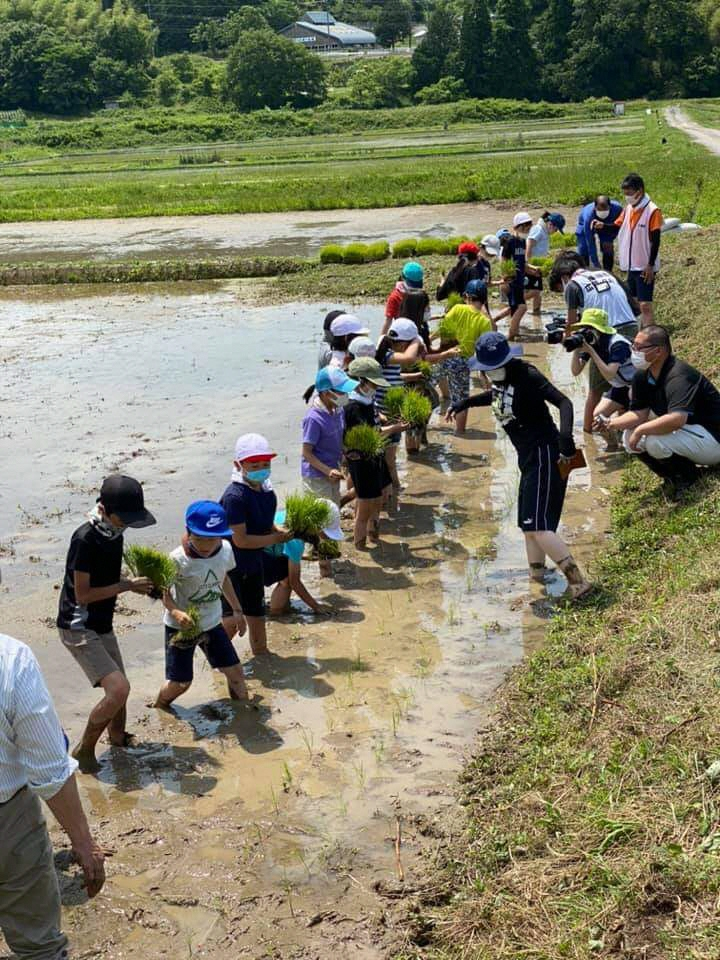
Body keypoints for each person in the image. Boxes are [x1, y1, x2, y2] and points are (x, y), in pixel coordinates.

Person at [446, 332, 592, 599]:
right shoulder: (501, 380)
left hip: (545, 454)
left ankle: (578, 582)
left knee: (538, 525)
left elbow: (564, 402)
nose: (487, 374)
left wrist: (565, 439)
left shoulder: (528, 375)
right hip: (526, 458)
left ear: (505, 361)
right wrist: (465, 402)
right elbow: (496, 395)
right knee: (528, 525)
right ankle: (537, 577)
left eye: (490, 369)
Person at [0, 632, 106, 960]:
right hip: (9, 819)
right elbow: (49, 769)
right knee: (39, 947)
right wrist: (84, 844)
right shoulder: (10, 658)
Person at [57, 474, 156, 773]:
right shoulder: (85, 539)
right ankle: (84, 750)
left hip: (102, 623)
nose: (125, 524)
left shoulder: (115, 533)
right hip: (78, 625)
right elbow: (83, 594)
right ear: (104, 509)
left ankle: (117, 738)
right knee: (118, 689)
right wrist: (126, 586)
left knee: (121, 687)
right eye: (122, 518)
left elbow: (109, 578)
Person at [154, 501, 249, 710]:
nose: (207, 546)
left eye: (213, 539)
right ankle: (160, 706)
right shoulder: (176, 559)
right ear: (188, 533)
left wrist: (237, 611)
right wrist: (176, 612)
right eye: (201, 539)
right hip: (181, 627)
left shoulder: (225, 549)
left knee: (236, 673)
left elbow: (223, 578)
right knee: (181, 683)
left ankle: (245, 715)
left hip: (212, 623)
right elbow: (165, 593)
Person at [610, 326, 720, 494]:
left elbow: (677, 419)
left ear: (658, 351)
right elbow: (639, 413)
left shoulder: (679, 375)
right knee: (628, 437)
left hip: (713, 438)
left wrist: (640, 430)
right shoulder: (642, 375)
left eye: (639, 348)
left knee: (654, 441)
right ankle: (671, 477)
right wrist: (610, 423)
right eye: (634, 346)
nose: (634, 352)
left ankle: (690, 477)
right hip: (691, 432)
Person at [220, 434, 293, 656]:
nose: (261, 468)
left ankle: (262, 657)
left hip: (253, 563)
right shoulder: (235, 496)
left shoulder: (266, 489)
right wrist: (275, 539)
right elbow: (240, 540)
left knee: (257, 617)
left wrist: (275, 529)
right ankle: (217, 660)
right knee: (231, 621)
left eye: (265, 464)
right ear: (238, 465)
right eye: (254, 465)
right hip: (230, 568)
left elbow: (262, 520)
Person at [549, 260, 640, 431]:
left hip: (610, 330)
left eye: (560, 288)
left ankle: (588, 432)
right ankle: (622, 427)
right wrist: (577, 348)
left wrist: (569, 339)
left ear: (564, 277)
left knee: (595, 390)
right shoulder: (604, 273)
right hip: (630, 325)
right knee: (620, 387)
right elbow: (634, 305)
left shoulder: (572, 285)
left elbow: (571, 321)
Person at [345, 356, 406, 546]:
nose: (376, 387)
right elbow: (371, 434)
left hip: (376, 457)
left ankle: (374, 535)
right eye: (373, 383)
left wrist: (384, 418)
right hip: (361, 461)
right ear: (359, 381)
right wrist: (395, 428)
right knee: (364, 507)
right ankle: (360, 547)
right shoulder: (352, 407)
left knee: (380, 497)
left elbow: (375, 421)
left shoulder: (367, 400)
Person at [566, 309, 634, 450]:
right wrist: (577, 349)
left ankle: (629, 443)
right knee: (597, 419)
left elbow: (609, 373)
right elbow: (575, 371)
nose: (587, 331)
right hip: (620, 387)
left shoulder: (617, 344)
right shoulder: (593, 343)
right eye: (585, 328)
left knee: (632, 431)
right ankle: (613, 446)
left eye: (591, 328)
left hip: (637, 387)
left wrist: (591, 351)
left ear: (600, 330)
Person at [434, 279, 494, 435]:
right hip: (463, 362)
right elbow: (483, 352)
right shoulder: (484, 321)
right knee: (461, 399)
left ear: (466, 296)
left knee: (426, 384)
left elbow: (443, 331)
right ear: (485, 300)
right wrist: (483, 374)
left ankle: (422, 427)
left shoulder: (457, 308)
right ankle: (460, 433)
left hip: (445, 355)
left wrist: (432, 348)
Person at [263, 499, 344, 615]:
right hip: (255, 559)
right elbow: (294, 582)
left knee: (286, 569)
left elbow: (282, 549)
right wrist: (316, 607)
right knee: (287, 578)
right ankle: (276, 613)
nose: (325, 537)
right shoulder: (296, 538)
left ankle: (279, 607)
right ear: (316, 527)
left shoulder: (288, 515)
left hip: (253, 551)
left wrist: (303, 557)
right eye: (325, 533)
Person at [302, 365, 359, 506]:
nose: (346, 396)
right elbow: (306, 453)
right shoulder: (314, 419)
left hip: (334, 470)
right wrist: (328, 471)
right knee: (323, 515)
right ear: (327, 393)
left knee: (334, 508)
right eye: (342, 392)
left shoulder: (338, 410)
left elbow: (337, 438)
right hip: (317, 475)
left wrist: (346, 453)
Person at [615, 173, 663, 325]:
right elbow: (618, 225)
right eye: (625, 193)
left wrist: (650, 265)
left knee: (645, 305)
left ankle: (650, 336)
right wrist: (603, 226)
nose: (627, 197)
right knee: (634, 303)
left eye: (629, 193)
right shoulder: (628, 208)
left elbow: (656, 241)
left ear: (640, 191)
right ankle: (639, 333)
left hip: (644, 266)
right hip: (631, 265)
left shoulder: (653, 211)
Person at [501, 212, 535, 340]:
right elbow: (504, 259)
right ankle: (510, 336)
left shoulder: (522, 242)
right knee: (522, 307)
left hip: (520, 280)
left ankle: (514, 332)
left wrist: (532, 269)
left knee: (515, 308)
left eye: (528, 228)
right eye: (524, 227)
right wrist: (505, 278)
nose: (527, 230)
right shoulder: (510, 241)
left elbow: (522, 263)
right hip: (512, 281)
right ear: (517, 227)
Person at [525, 211, 566, 316]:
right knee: (535, 290)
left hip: (538, 265)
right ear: (550, 224)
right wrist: (528, 263)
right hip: (532, 265)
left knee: (538, 290)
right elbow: (529, 244)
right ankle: (516, 302)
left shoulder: (545, 231)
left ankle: (536, 311)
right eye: (556, 229)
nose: (556, 232)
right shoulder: (539, 229)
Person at [575, 195, 622, 270]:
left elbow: (619, 227)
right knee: (583, 249)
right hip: (586, 226)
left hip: (608, 225)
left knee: (607, 247)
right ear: (595, 208)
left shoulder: (618, 209)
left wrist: (606, 229)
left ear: (610, 206)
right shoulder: (589, 215)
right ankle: (585, 272)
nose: (602, 212)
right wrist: (596, 263)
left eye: (605, 209)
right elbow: (590, 241)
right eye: (599, 210)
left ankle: (608, 271)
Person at [383, 261, 425, 335]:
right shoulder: (395, 297)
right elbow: (388, 321)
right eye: (412, 284)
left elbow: (425, 316)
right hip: (402, 334)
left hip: (419, 331)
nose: (414, 288)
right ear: (402, 278)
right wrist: (381, 339)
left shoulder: (420, 294)